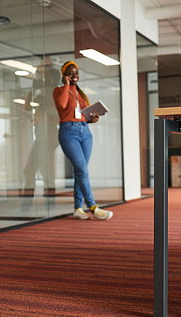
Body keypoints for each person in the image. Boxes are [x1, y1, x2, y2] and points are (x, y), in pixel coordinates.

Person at [53, 61, 113, 220]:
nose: (74, 76)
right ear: (64, 75)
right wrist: (66, 85)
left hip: (85, 132)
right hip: (68, 132)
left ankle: (78, 208)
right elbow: (62, 104)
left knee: (80, 171)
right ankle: (93, 207)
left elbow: (82, 115)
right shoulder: (59, 90)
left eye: (76, 73)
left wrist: (91, 119)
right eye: (71, 73)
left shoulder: (81, 94)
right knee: (83, 171)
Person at [20, 58, 61, 211]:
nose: (37, 76)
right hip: (40, 134)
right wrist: (32, 89)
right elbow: (26, 109)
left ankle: (45, 207)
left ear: (49, 77)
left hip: (49, 134)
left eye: (40, 73)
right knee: (34, 171)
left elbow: (60, 116)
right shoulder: (39, 92)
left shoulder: (54, 92)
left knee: (45, 172)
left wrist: (43, 117)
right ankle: (29, 207)